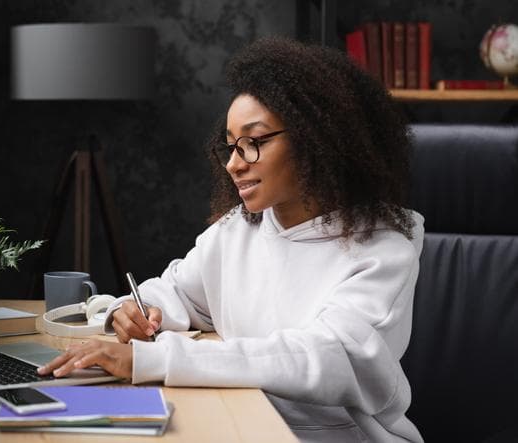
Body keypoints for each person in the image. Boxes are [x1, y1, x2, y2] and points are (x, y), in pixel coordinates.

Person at [38, 37, 424, 442]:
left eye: (254, 143)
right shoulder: (240, 227)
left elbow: (322, 356)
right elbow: (180, 292)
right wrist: (138, 308)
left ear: (317, 140)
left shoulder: (383, 252)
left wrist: (152, 358)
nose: (235, 165)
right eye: (231, 147)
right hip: (242, 424)